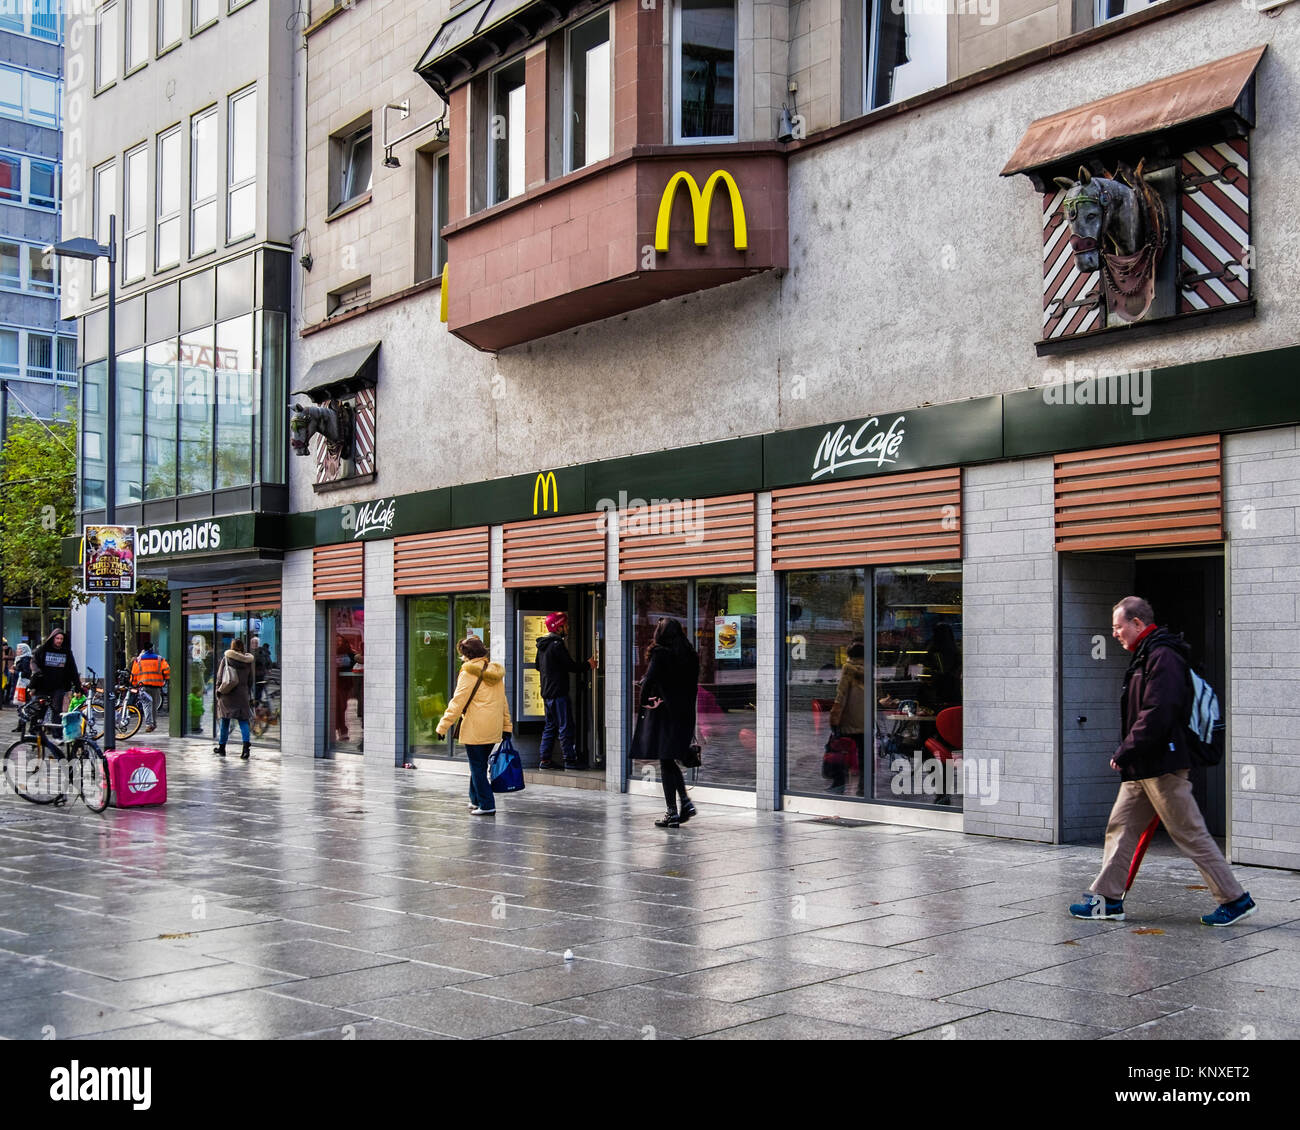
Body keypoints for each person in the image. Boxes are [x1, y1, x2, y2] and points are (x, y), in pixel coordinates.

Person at [1070, 596, 1256, 927]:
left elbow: (1159, 711)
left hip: (1162, 765)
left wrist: (1126, 749)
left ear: (1137, 623)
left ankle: (1234, 899)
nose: (1114, 633)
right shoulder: (1147, 654)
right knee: (1122, 828)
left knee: (1190, 833)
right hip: (1144, 766)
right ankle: (1108, 899)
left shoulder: (1162, 655)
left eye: (1118, 626)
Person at [633, 617, 700, 828]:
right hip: (685, 715)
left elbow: (651, 680)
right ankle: (683, 805)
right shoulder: (690, 654)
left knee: (666, 760)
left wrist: (645, 701)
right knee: (669, 760)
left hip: (665, 714)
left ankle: (673, 810)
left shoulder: (661, 653)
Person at [435, 635, 512, 815]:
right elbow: (503, 701)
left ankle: (487, 805)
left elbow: (457, 702)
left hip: (475, 727)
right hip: (493, 727)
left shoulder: (468, 672)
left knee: (477, 767)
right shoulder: (495, 671)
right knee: (479, 764)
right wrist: (507, 726)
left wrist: (443, 726)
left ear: (467, 655)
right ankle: (475, 799)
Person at [534, 611, 596, 770]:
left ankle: (545, 760)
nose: (568, 628)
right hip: (559, 693)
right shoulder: (557, 644)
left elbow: (537, 666)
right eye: (566, 625)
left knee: (550, 726)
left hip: (547, 693)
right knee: (565, 727)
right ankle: (569, 759)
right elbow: (570, 666)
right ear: (558, 627)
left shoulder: (542, 645)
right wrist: (588, 664)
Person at [829, 641, 866, 795]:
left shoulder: (848, 668)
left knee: (838, 750)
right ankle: (863, 786)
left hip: (849, 720)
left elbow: (842, 694)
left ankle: (839, 783)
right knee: (863, 754)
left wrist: (834, 717)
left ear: (849, 655)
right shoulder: (869, 670)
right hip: (864, 719)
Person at [213, 637, 255, 760]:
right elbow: (250, 680)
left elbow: (220, 677)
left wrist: (218, 691)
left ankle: (222, 747)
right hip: (242, 695)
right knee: (243, 721)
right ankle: (246, 749)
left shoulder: (227, 658)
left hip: (227, 694)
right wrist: (247, 692)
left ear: (232, 646)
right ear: (242, 646)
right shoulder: (248, 661)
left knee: (225, 721)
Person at [29, 628, 82, 721]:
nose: (59, 641)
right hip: (43, 684)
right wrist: (37, 672)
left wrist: (78, 686)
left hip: (59, 685)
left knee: (57, 709)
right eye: (57, 638)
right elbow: (34, 662)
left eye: (61, 639)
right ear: (52, 638)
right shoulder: (43, 649)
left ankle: (56, 732)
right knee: (40, 708)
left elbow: (72, 669)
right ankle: (35, 729)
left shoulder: (66, 652)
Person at [130, 639, 170, 733]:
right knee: (154, 705)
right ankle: (153, 723)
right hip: (156, 686)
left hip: (143, 686)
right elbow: (167, 670)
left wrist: (133, 683)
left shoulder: (138, 660)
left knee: (146, 704)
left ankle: (149, 724)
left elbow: (134, 673)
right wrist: (166, 679)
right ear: (153, 648)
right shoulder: (159, 659)